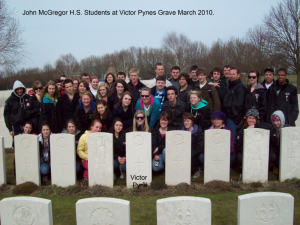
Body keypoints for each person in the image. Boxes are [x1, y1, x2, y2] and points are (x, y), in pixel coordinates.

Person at [223, 67, 246, 143]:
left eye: (233, 74)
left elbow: (238, 104)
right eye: (230, 74)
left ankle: (233, 155)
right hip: (228, 116)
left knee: (233, 139)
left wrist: (232, 114)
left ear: (238, 75)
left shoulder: (240, 87)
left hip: (233, 118)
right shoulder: (230, 85)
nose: (231, 76)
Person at [181, 113, 204, 178]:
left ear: (192, 122)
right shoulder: (181, 131)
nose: (186, 123)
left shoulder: (199, 132)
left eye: (188, 121)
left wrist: (189, 154)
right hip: (184, 153)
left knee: (188, 167)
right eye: (184, 121)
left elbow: (199, 147)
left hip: (194, 154)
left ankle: (198, 169)